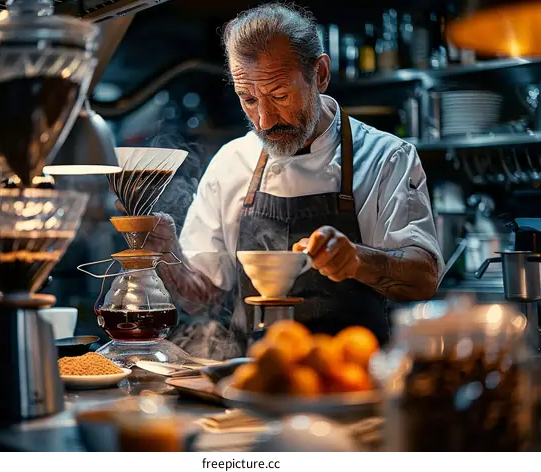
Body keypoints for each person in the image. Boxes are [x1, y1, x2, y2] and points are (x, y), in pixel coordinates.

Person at [139, 3, 444, 354]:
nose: (265, 120)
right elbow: (200, 297)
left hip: (349, 380)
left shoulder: (386, 158)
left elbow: (424, 278)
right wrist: (164, 252)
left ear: (321, 74)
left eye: (280, 95)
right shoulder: (231, 162)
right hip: (252, 378)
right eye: (248, 99)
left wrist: (356, 260)